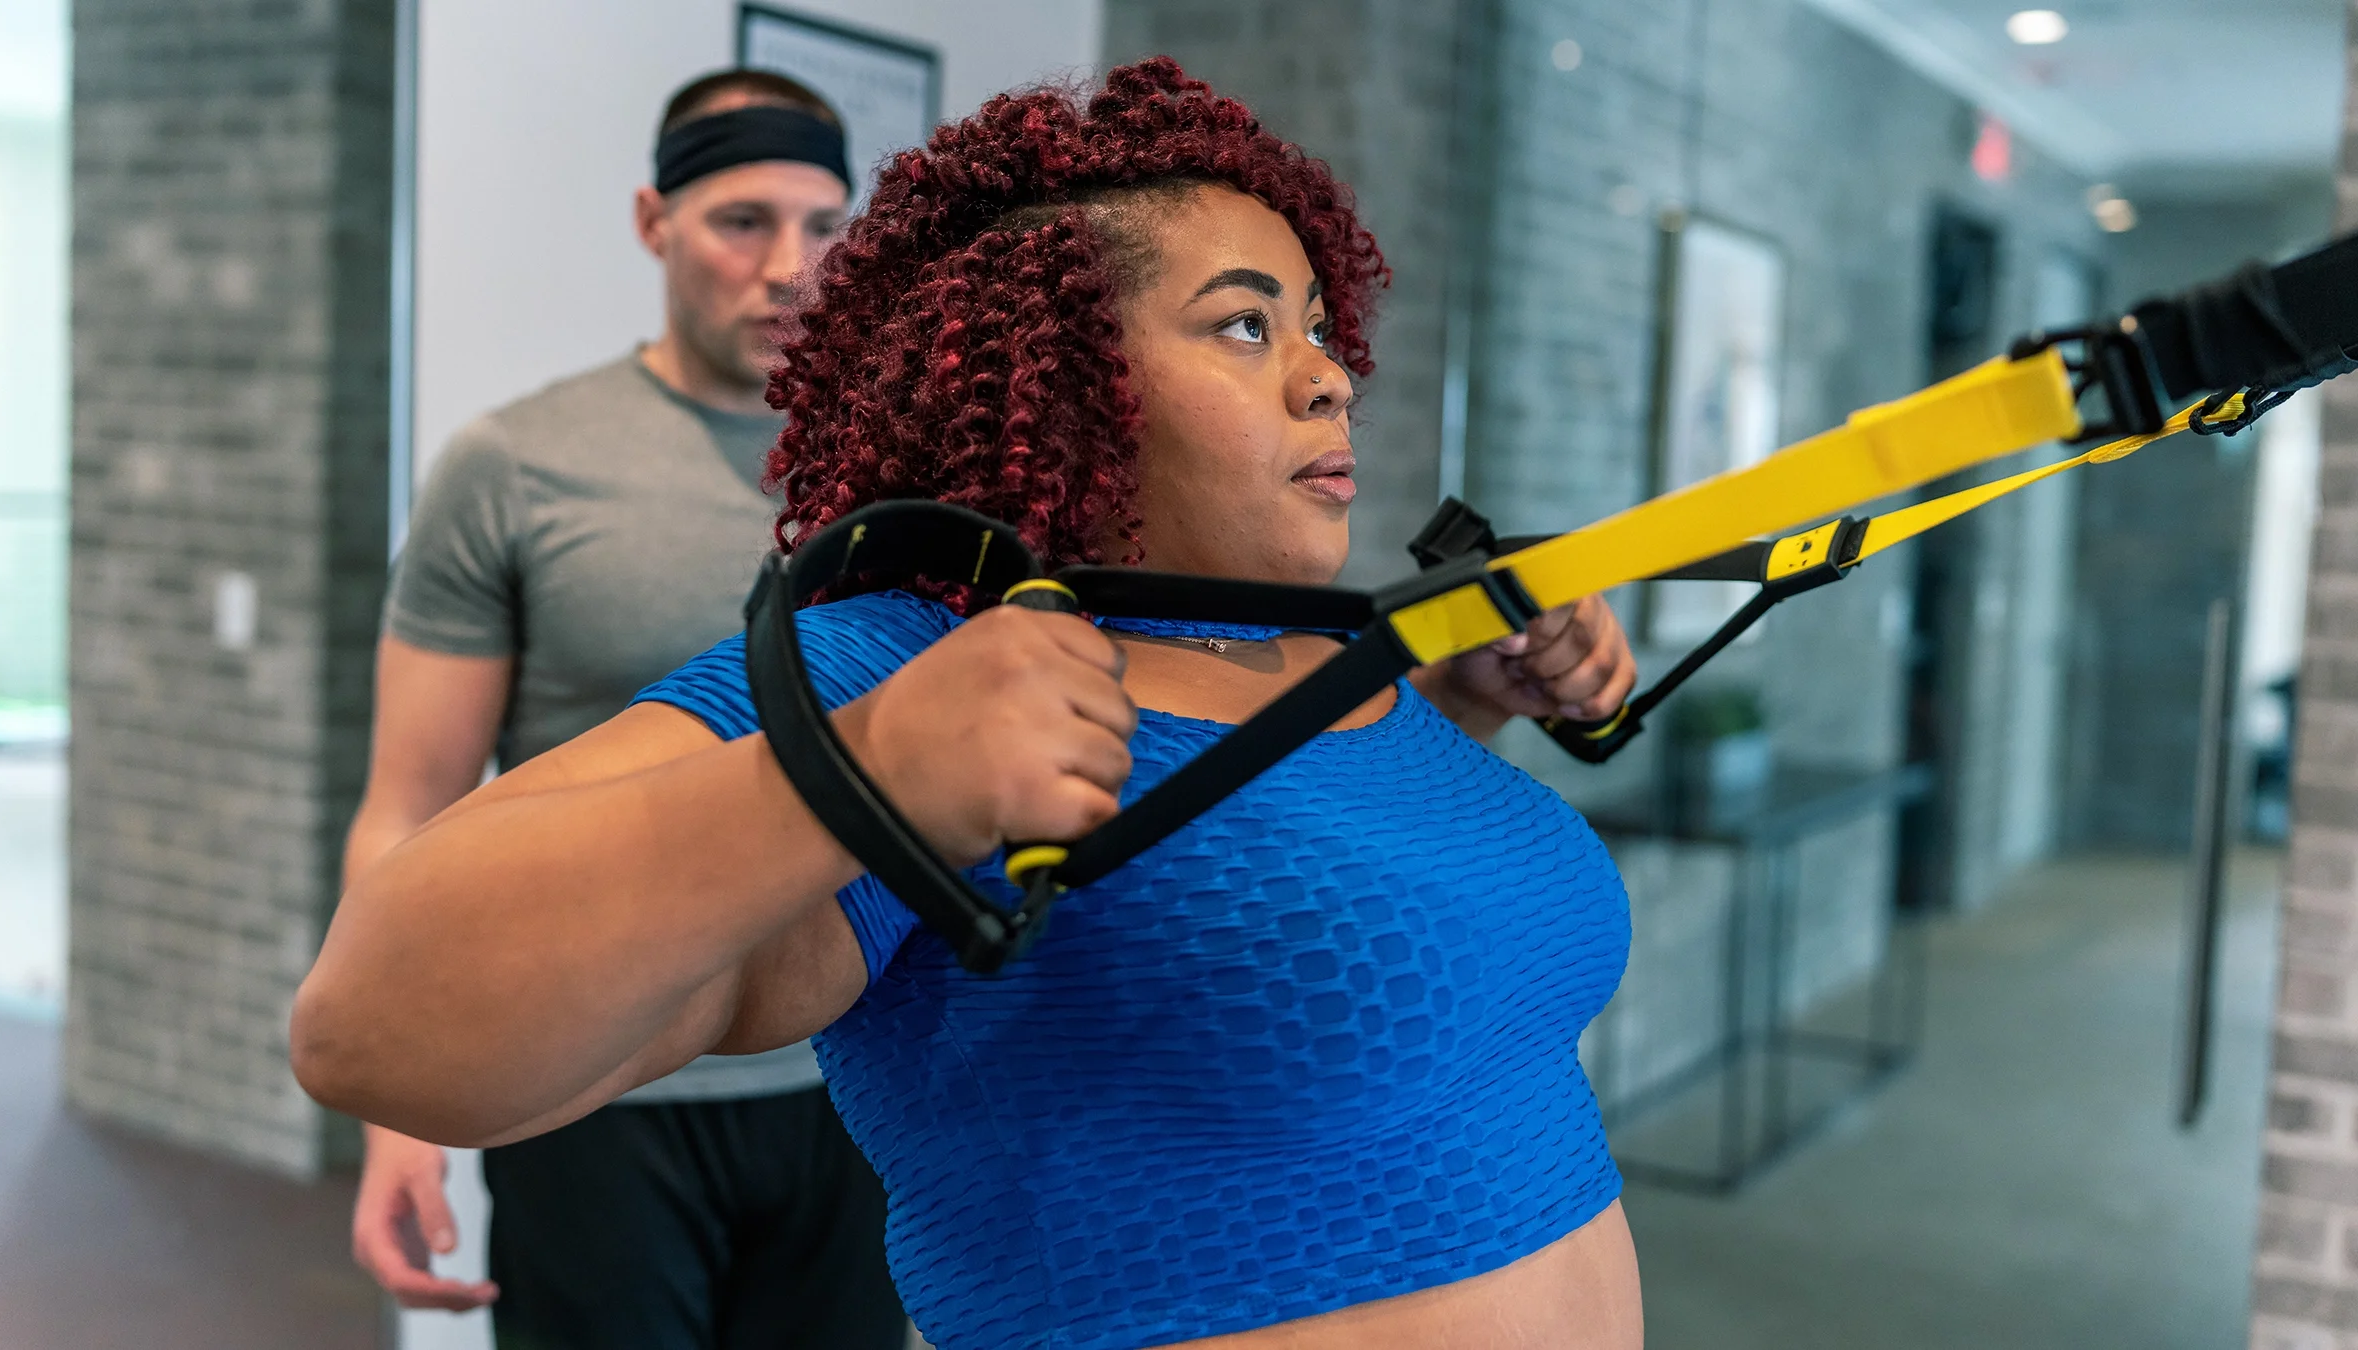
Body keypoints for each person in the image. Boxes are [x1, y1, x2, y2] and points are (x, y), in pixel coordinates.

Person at [299, 58, 1643, 1349]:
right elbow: (367, 1024)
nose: (1329, 373)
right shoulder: (916, 662)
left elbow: (1297, 936)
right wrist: (867, 768)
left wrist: (1462, 710)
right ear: (1071, 388)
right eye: (1245, 323)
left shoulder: (1319, 659)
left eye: (1314, 325)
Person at [343, 67, 906, 1349]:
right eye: (741, 221)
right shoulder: (517, 467)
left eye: (824, 227)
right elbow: (407, 809)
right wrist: (397, 1105)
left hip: (857, 1077)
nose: (789, 269)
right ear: (656, 223)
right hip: (592, 1088)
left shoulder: (894, 479)